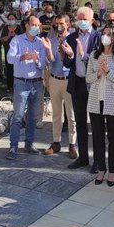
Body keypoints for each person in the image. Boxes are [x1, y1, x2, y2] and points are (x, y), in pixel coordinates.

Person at [5, 15, 53, 160]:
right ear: (26, 25)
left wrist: (38, 60)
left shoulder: (40, 42)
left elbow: (45, 64)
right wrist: (22, 56)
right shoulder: (17, 40)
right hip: (21, 83)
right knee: (18, 116)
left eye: (38, 26)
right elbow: (9, 58)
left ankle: (29, 143)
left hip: (37, 83)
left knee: (33, 117)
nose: (36, 28)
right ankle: (13, 146)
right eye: (34, 25)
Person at [87, 27, 114, 187]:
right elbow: (88, 78)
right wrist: (98, 73)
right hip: (96, 100)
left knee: (113, 137)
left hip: (113, 102)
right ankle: (101, 168)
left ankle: (112, 171)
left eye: (108, 35)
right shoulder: (94, 55)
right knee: (97, 137)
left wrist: (108, 71)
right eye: (103, 34)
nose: (105, 37)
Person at [63, 6, 101, 171]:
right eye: (79, 19)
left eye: (85, 19)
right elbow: (66, 63)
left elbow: (99, 62)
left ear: (92, 20)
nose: (81, 22)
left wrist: (83, 55)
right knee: (80, 123)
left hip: (93, 86)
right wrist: (70, 54)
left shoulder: (98, 38)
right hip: (77, 83)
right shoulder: (71, 37)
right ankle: (83, 158)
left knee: (96, 124)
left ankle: (98, 161)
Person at [43, 14, 77, 158]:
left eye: (61, 23)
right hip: (55, 79)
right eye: (56, 23)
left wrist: (69, 53)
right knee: (56, 114)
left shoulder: (74, 40)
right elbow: (49, 62)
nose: (58, 26)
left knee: (71, 115)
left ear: (68, 24)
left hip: (69, 80)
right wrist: (50, 49)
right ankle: (56, 142)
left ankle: (72, 144)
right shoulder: (50, 41)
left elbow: (77, 59)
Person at [1, 12, 19, 91]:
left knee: (17, 69)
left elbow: (23, 38)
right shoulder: (5, 28)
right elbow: (2, 39)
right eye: (10, 19)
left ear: (16, 19)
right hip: (8, 50)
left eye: (13, 19)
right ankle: (9, 86)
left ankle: (17, 85)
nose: (11, 20)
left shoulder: (20, 28)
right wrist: (9, 36)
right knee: (9, 68)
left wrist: (15, 35)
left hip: (19, 52)